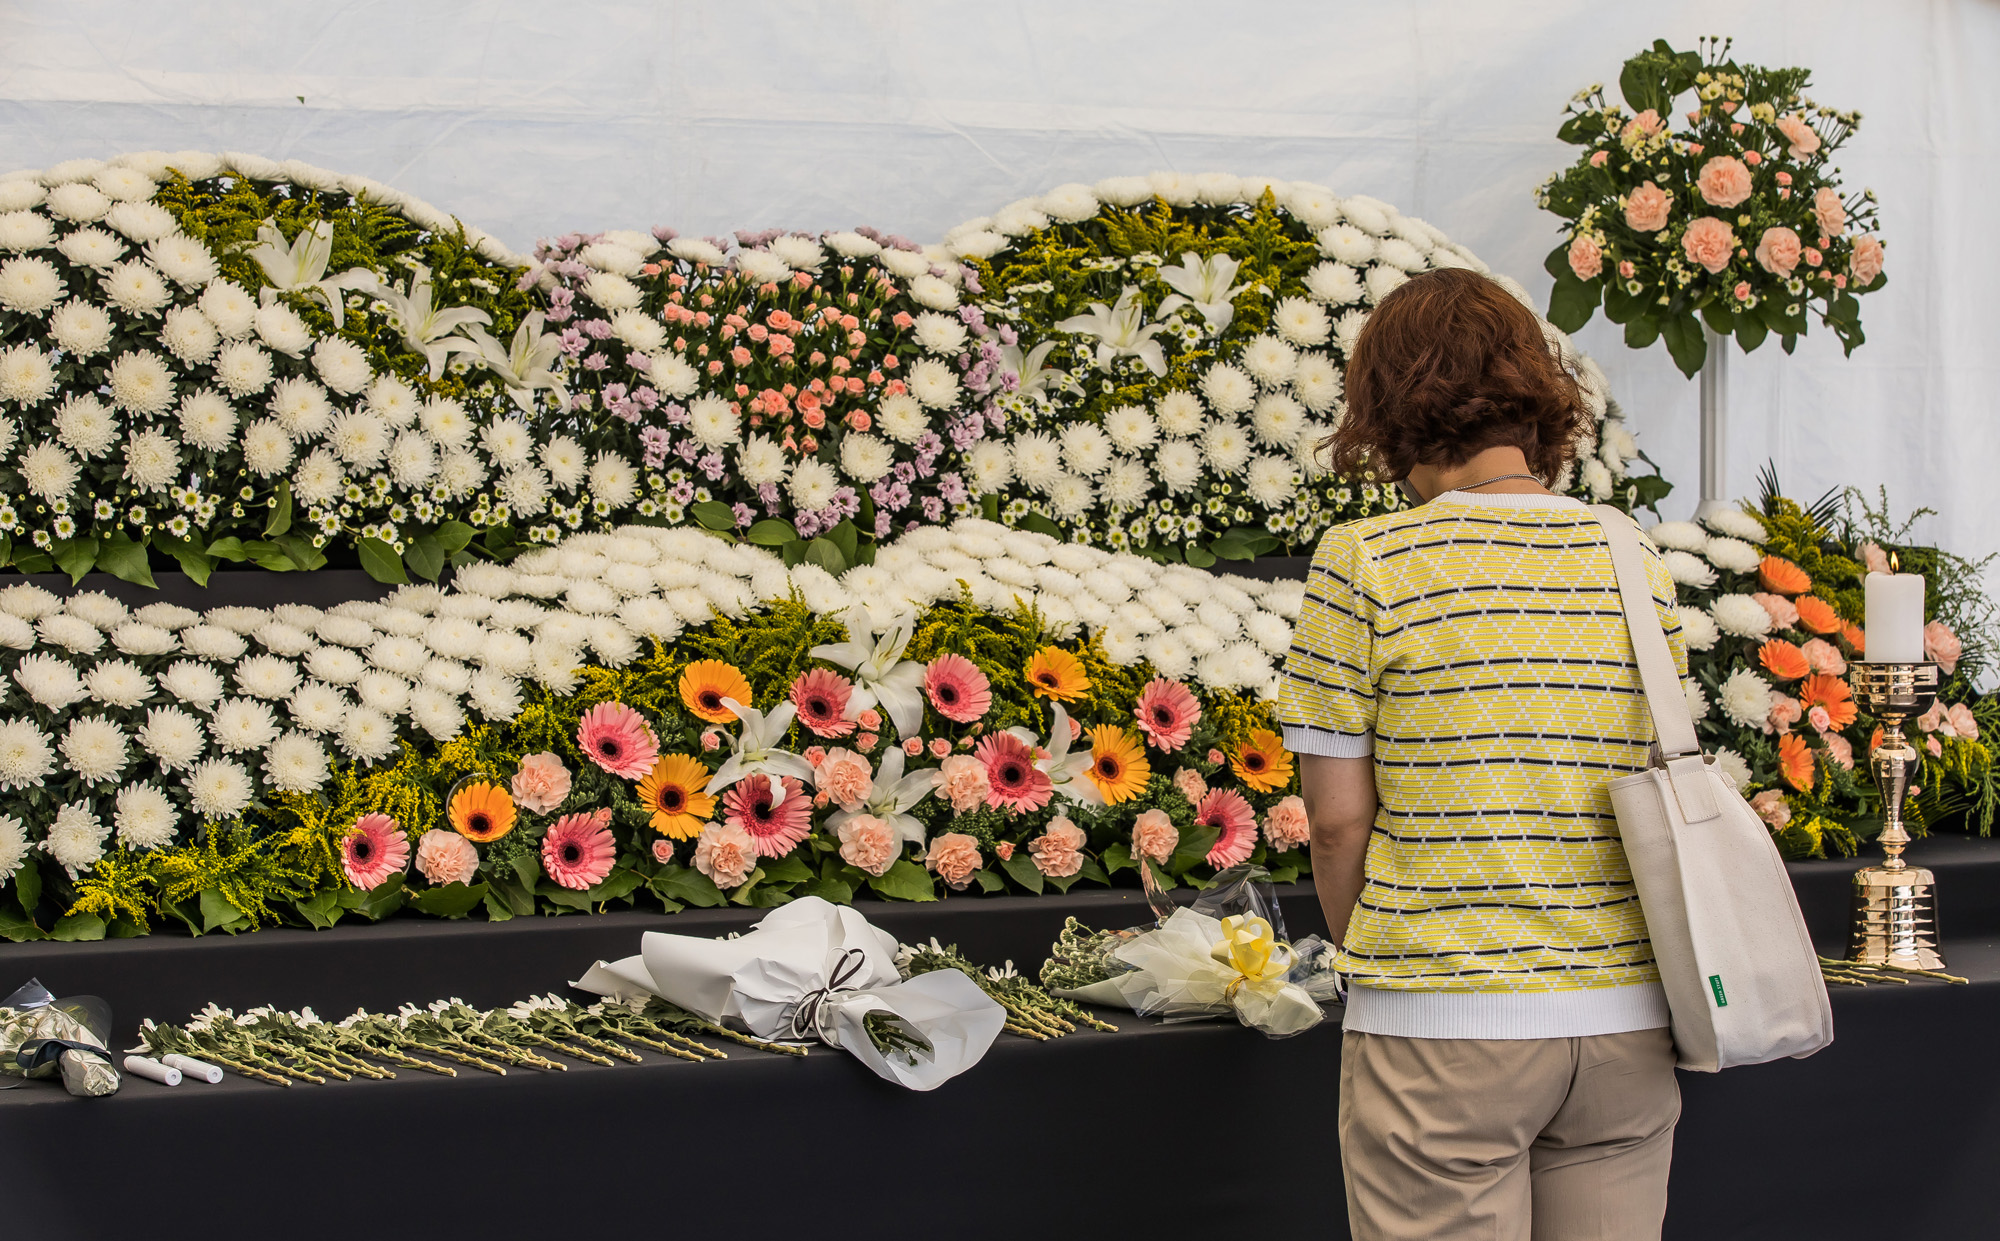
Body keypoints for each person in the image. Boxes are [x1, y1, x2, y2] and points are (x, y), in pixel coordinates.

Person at [1276, 267, 1688, 1241]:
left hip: (1440, 1024)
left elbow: (1336, 822)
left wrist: (1366, 960)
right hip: (1626, 1019)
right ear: (1530, 395)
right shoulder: (1632, 555)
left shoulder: (1364, 562)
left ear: (1389, 406)